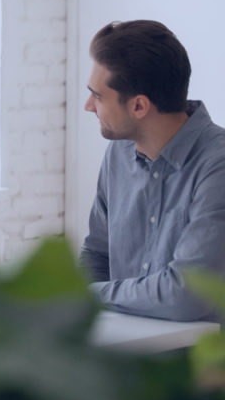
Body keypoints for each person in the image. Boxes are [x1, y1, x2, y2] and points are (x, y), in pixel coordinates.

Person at [79, 20, 225, 322]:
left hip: (199, 364)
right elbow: (97, 255)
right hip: (129, 350)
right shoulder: (118, 153)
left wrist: (91, 295)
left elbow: (185, 296)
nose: (88, 106)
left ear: (139, 107)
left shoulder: (217, 164)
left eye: (98, 95)